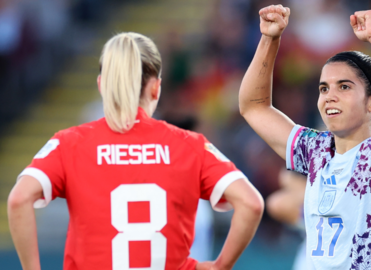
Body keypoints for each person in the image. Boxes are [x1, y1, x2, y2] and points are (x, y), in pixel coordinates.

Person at [8, 32, 264, 270]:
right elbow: (251, 203)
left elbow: (18, 200)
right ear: (155, 87)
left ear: (101, 85)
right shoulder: (191, 145)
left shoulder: (69, 143)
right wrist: (220, 265)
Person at [239, 4, 371, 270]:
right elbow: (253, 106)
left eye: (344, 86)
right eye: (324, 88)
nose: (330, 95)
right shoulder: (315, 150)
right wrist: (270, 39)